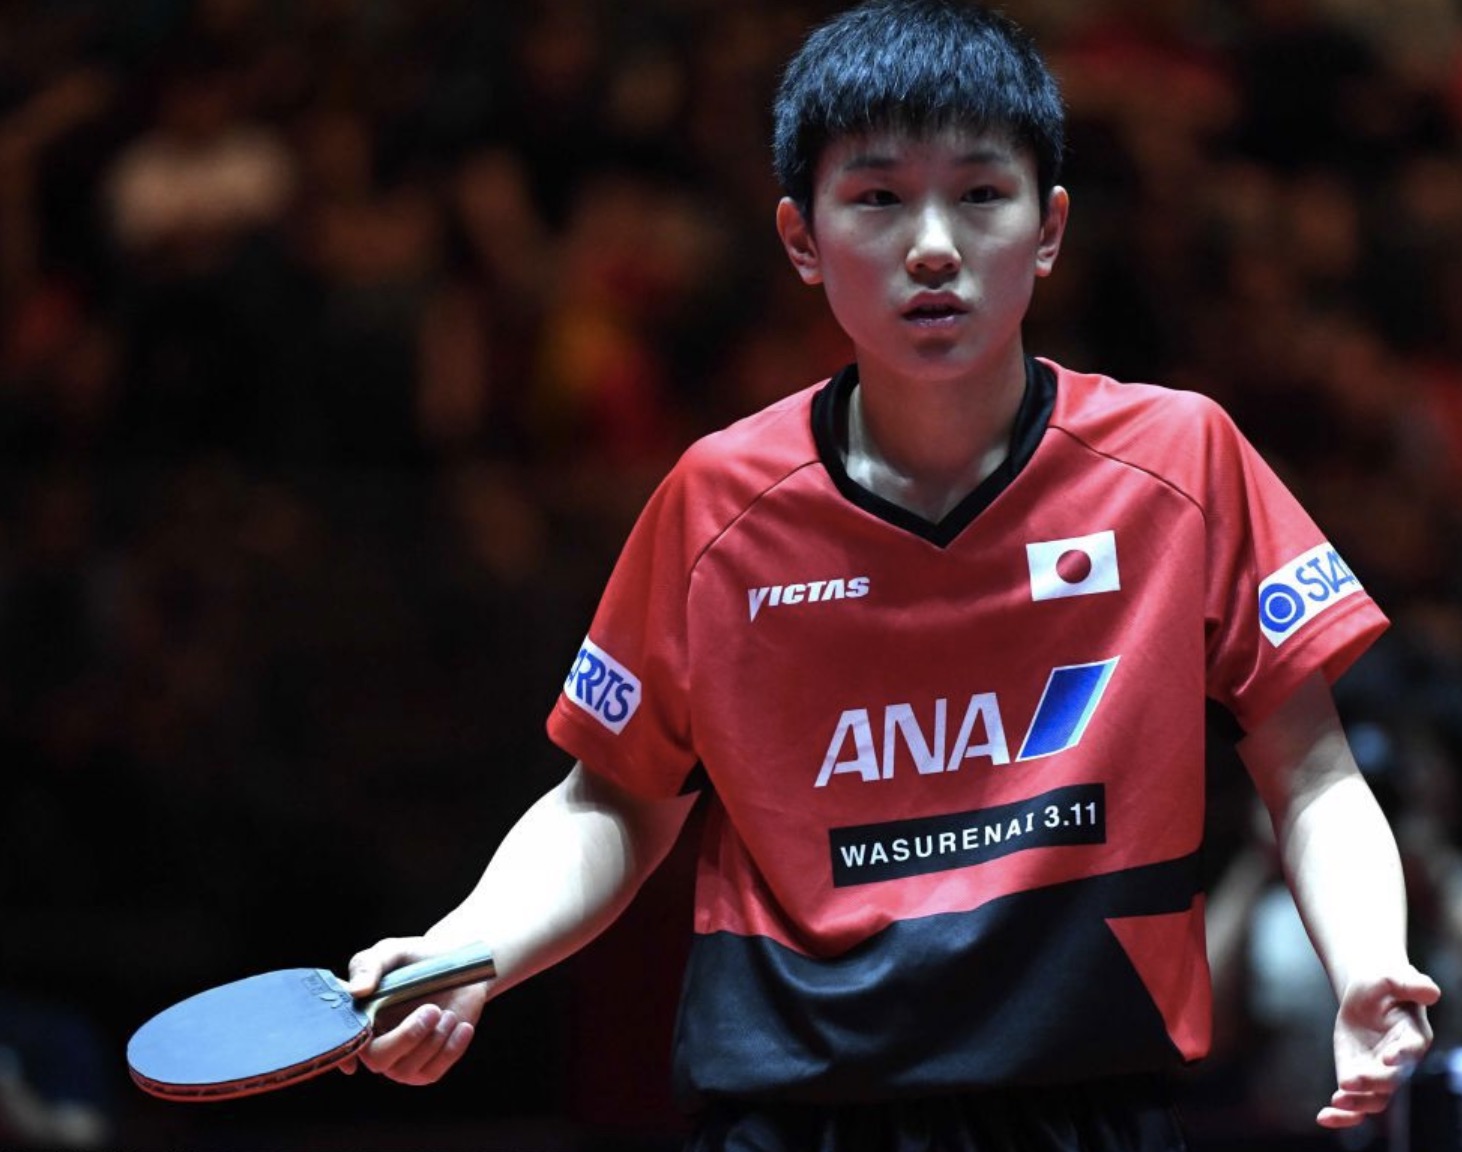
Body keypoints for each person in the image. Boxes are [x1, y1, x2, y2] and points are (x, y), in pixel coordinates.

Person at [344, 2, 1440, 1148]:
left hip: (1088, 1109)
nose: (932, 246)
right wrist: (469, 948)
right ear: (801, 239)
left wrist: (1367, 962)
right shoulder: (719, 503)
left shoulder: (1179, 462)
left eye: (981, 194)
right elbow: (611, 800)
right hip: (794, 1115)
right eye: (876, 199)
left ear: (1049, 226)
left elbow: (1310, 772)